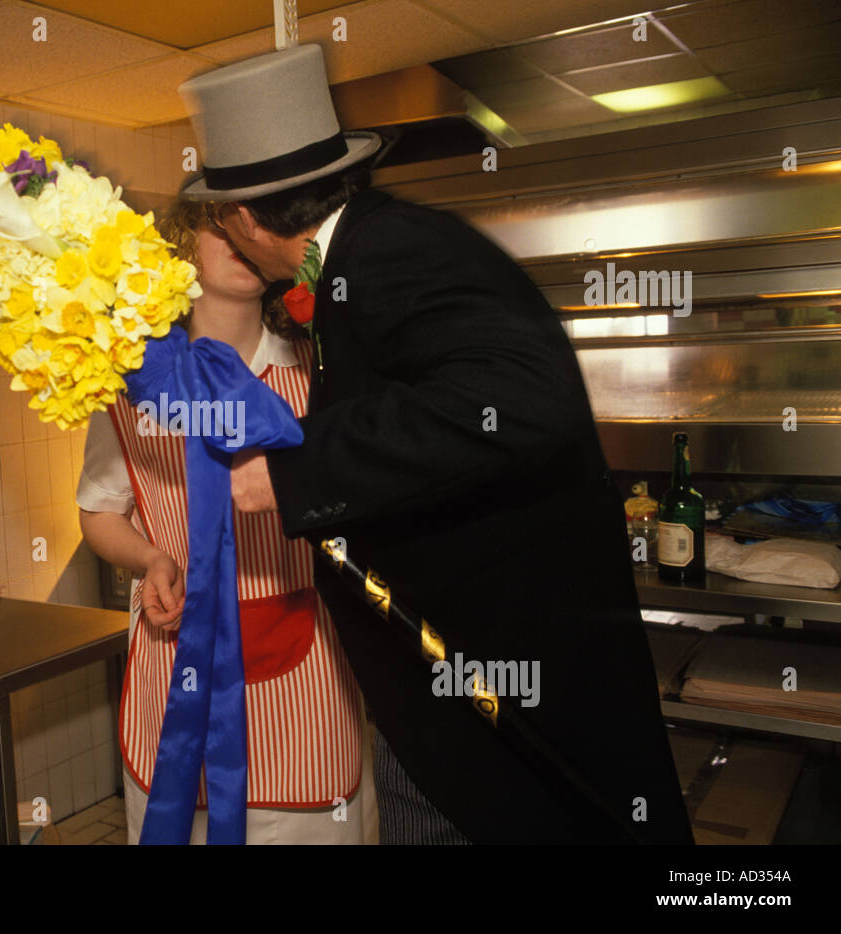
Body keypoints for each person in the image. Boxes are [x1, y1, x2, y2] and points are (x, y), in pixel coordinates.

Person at [177, 43, 693, 844]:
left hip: (497, 697)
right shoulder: (361, 254)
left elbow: (522, 398)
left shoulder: (392, 252)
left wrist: (294, 468)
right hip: (447, 679)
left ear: (244, 218)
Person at [76, 199, 370, 844]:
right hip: (174, 663)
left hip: (305, 683)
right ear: (180, 247)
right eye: (221, 223)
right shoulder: (128, 386)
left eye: (263, 220)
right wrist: (152, 558)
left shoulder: (317, 372)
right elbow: (99, 511)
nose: (246, 234)